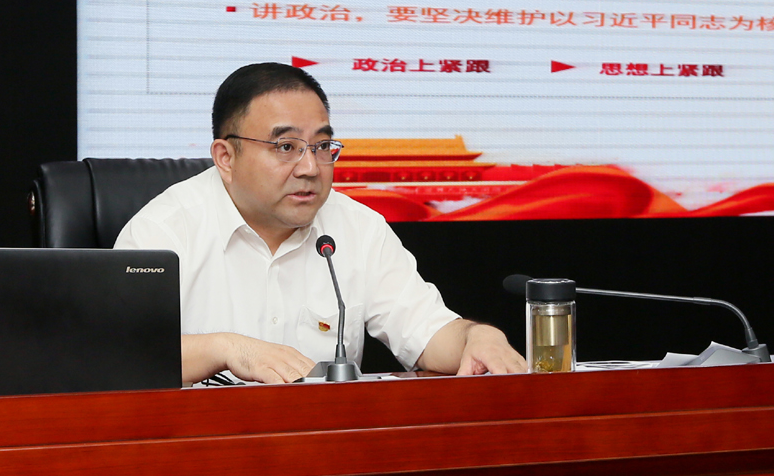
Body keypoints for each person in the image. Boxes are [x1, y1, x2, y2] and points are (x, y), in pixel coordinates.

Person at [115, 62, 526, 384]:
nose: (310, 168)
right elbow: (117, 355)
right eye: (286, 147)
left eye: (322, 146)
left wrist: (476, 337)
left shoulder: (358, 228)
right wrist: (227, 349)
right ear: (226, 157)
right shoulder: (163, 230)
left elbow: (428, 334)